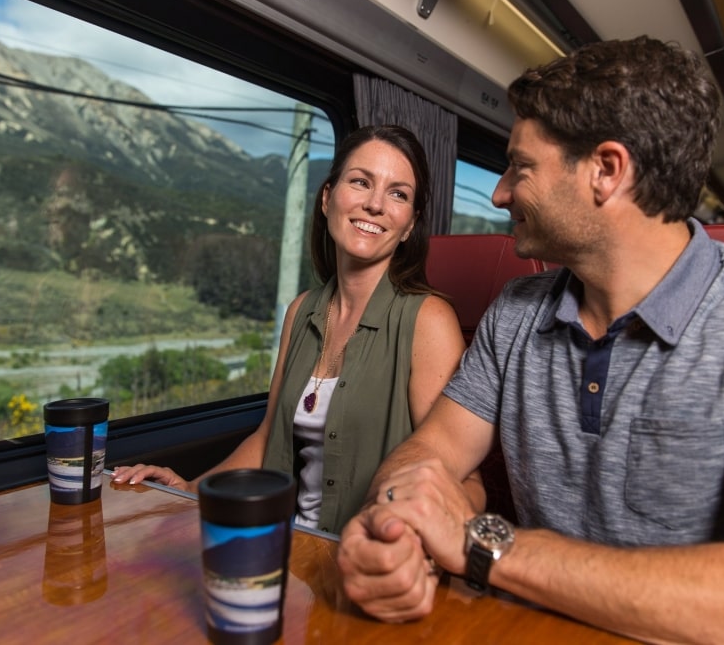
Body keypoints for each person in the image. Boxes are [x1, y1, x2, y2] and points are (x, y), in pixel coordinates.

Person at [336, 37, 724, 643]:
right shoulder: (516, 315)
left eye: (520, 167)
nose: (501, 193)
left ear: (606, 171)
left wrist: (487, 549)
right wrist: (392, 524)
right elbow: (432, 452)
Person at [113, 124, 479, 535]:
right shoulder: (301, 311)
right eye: (360, 182)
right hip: (291, 545)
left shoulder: (429, 320)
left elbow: (464, 481)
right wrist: (188, 489)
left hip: (362, 559)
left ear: (409, 225)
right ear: (327, 198)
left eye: (398, 193)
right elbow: (269, 438)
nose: (375, 204)